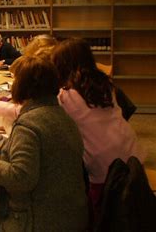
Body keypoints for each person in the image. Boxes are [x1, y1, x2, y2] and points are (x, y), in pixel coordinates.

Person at [0, 54, 88, 231]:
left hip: (37, 220)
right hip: (69, 215)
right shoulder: (61, 115)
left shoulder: (28, 123)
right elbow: (37, 151)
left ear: (23, 86)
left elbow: (20, 179)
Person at [51, 38, 146, 220]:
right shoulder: (103, 83)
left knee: (101, 208)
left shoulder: (66, 96)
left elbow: (40, 111)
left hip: (103, 162)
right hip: (129, 148)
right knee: (130, 196)